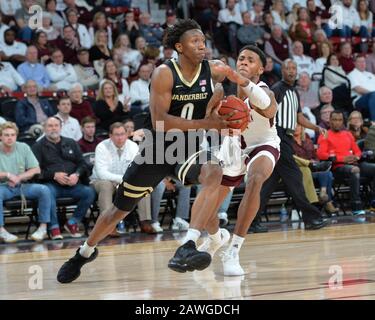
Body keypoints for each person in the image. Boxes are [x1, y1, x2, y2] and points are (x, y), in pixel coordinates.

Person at [56, 19, 234, 283]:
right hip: (157, 149)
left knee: (213, 173)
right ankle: (84, 252)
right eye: (195, 42)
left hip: (190, 148)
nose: (201, 46)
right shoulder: (164, 73)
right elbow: (161, 122)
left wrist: (229, 98)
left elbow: (234, 79)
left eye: (203, 42)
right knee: (117, 212)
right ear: (179, 47)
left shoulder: (213, 70)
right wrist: (208, 122)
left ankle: (189, 243)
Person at [189, 45, 280, 276]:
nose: (244, 62)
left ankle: (234, 250)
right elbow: (209, 123)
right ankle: (216, 237)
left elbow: (269, 108)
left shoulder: (263, 90)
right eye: (240, 58)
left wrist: (236, 77)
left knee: (256, 177)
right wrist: (214, 117)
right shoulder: (222, 92)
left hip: (262, 144)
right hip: (232, 148)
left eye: (250, 60)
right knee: (208, 207)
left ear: (261, 68)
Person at [252, 59, 328, 232]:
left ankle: (252, 221)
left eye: (294, 68)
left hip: (286, 138)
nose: (291, 71)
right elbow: (264, 111)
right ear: (282, 71)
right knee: (295, 178)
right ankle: (311, 217)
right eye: (288, 68)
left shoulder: (294, 91)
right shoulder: (277, 89)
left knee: (268, 185)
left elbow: (298, 117)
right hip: (278, 136)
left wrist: (315, 127)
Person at [32, 117, 96, 238]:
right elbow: (35, 171)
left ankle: (72, 222)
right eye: (50, 126)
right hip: (51, 185)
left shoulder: (71, 142)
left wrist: (76, 175)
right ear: (45, 129)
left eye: (56, 125)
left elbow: (82, 164)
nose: (53, 128)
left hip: (72, 184)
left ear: (61, 127)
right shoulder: (38, 146)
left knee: (90, 192)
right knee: (46, 193)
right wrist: (54, 175)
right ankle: (54, 227)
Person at [0, 122, 54, 243]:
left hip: (22, 185)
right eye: (6, 135)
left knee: (44, 190)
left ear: (16, 136)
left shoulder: (23, 147)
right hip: (3, 186)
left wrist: (19, 177)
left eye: (13, 135)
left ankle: (43, 228)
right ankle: (1, 231)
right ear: (1, 136)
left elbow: (36, 169)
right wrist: (8, 175)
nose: (10, 138)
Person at [316, 110, 375, 215]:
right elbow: (321, 155)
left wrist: (356, 157)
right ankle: (356, 206)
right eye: (335, 120)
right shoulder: (325, 135)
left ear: (343, 121)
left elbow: (357, 151)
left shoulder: (347, 134)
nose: (337, 122)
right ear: (329, 121)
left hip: (354, 163)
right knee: (354, 170)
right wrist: (342, 159)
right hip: (337, 167)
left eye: (340, 120)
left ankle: (373, 201)